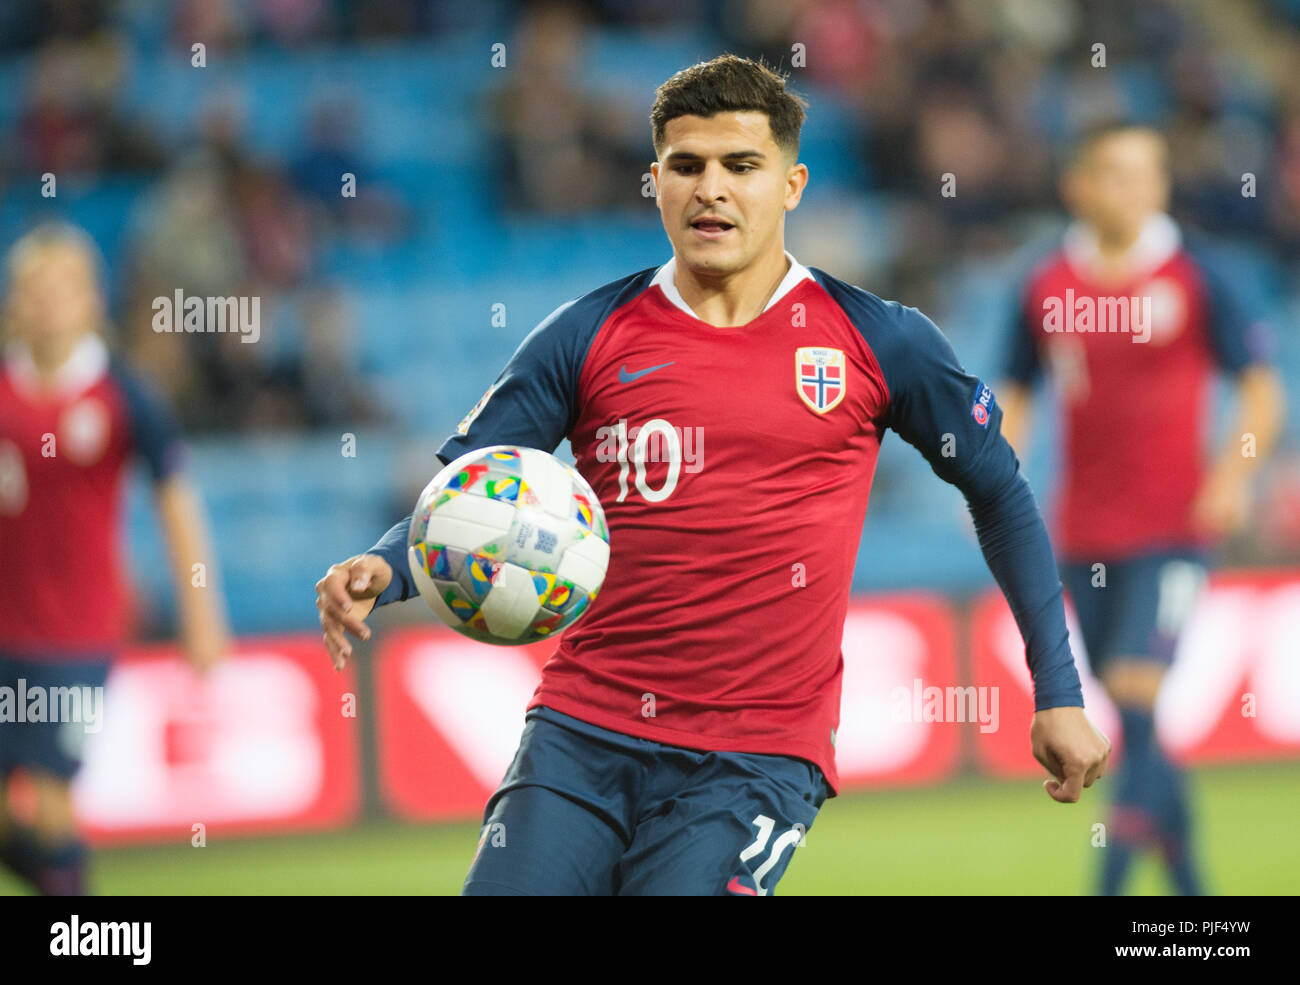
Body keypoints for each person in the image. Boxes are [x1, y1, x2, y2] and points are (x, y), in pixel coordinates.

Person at [316, 55, 1110, 896]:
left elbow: (1000, 493)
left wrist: (1056, 690)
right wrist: (387, 563)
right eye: (687, 166)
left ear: (793, 183)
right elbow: (466, 495)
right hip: (581, 734)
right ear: (653, 181)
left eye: (741, 165)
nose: (711, 189)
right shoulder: (584, 335)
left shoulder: (881, 341)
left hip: (756, 758)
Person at [998, 122, 1285, 895]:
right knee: (1141, 723)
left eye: (1149, 174)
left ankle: (1110, 887)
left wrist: (1232, 475)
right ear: (1079, 185)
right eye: (1118, 174)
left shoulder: (1197, 274)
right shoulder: (1046, 282)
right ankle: (1194, 900)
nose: (1137, 188)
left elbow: (1261, 387)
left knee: (1134, 690)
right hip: (1083, 533)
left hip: (1174, 528)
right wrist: (996, 479)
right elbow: (1015, 389)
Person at [0, 223, 229, 895]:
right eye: (32, 290)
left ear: (91, 300)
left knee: (47, 799)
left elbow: (177, 502)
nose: (45, 304)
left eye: (60, 290)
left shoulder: (123, 395)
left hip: (74, 632)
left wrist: (201, 611)